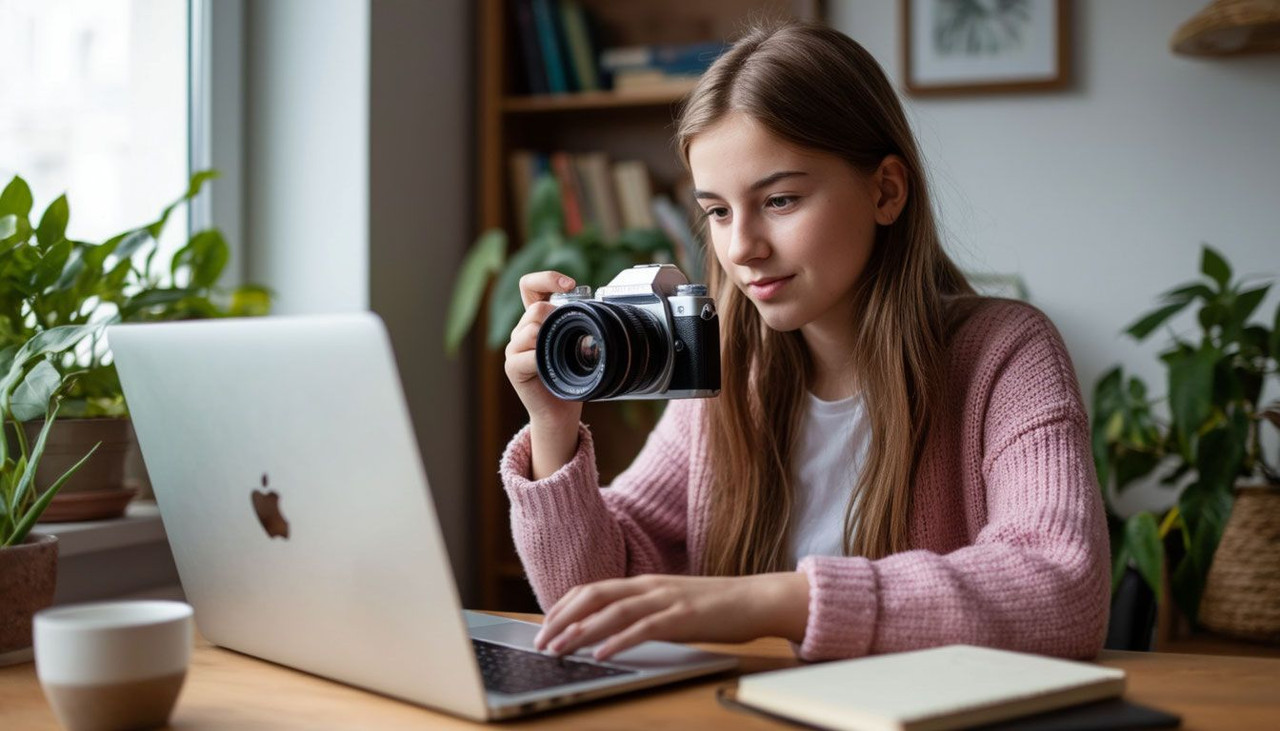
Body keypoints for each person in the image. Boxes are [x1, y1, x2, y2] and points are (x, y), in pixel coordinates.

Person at [499, 20, 1110, 664]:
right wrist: (553, 427)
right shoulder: (728, 372)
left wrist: (770, 601)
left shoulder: (1005, 354)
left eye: (781, 199)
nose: (742, 248)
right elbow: (592, 604)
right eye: (718, 211)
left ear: (886, 191)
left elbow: (1061, 590)